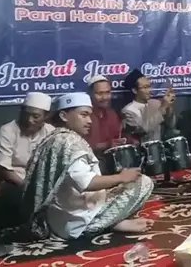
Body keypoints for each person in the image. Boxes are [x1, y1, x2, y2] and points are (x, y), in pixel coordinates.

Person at [22, 92, 155, 240]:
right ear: (64, 116)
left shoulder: (55, 137)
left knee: (116, 187)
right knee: (143, 183)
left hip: (59, 215)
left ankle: (112, 222)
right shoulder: (68, 141)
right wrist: (121, 177)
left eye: (90, 115)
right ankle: (102, 224)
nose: (89, 120)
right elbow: (87, 183)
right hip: (74, 221)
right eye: (84, 115)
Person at [0, 92, 54, 187]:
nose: (29, 120)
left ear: (46, 116)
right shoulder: (7, 131)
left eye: (36, 117)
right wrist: (27, 188)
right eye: (26, 115)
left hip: (42, 185)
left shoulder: (51, 132)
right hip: (14, 182)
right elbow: (4, 169)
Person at [121, 69, 177, 143]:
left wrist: (169, 106)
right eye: (145, 87)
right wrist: (163, 108)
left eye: (149, 86)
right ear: (135, 90)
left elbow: (171, 124)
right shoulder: (128, 110)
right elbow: (143, 129)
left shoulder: (156, 103)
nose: (149, 90)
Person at [86, 75, 123, 157]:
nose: (105, 97)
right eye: (100, 93)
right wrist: (108, 144)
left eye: (107, 92)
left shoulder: (112, 114)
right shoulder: (84, 116)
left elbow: (117, 137)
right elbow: (83, 146)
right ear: (90, 94)